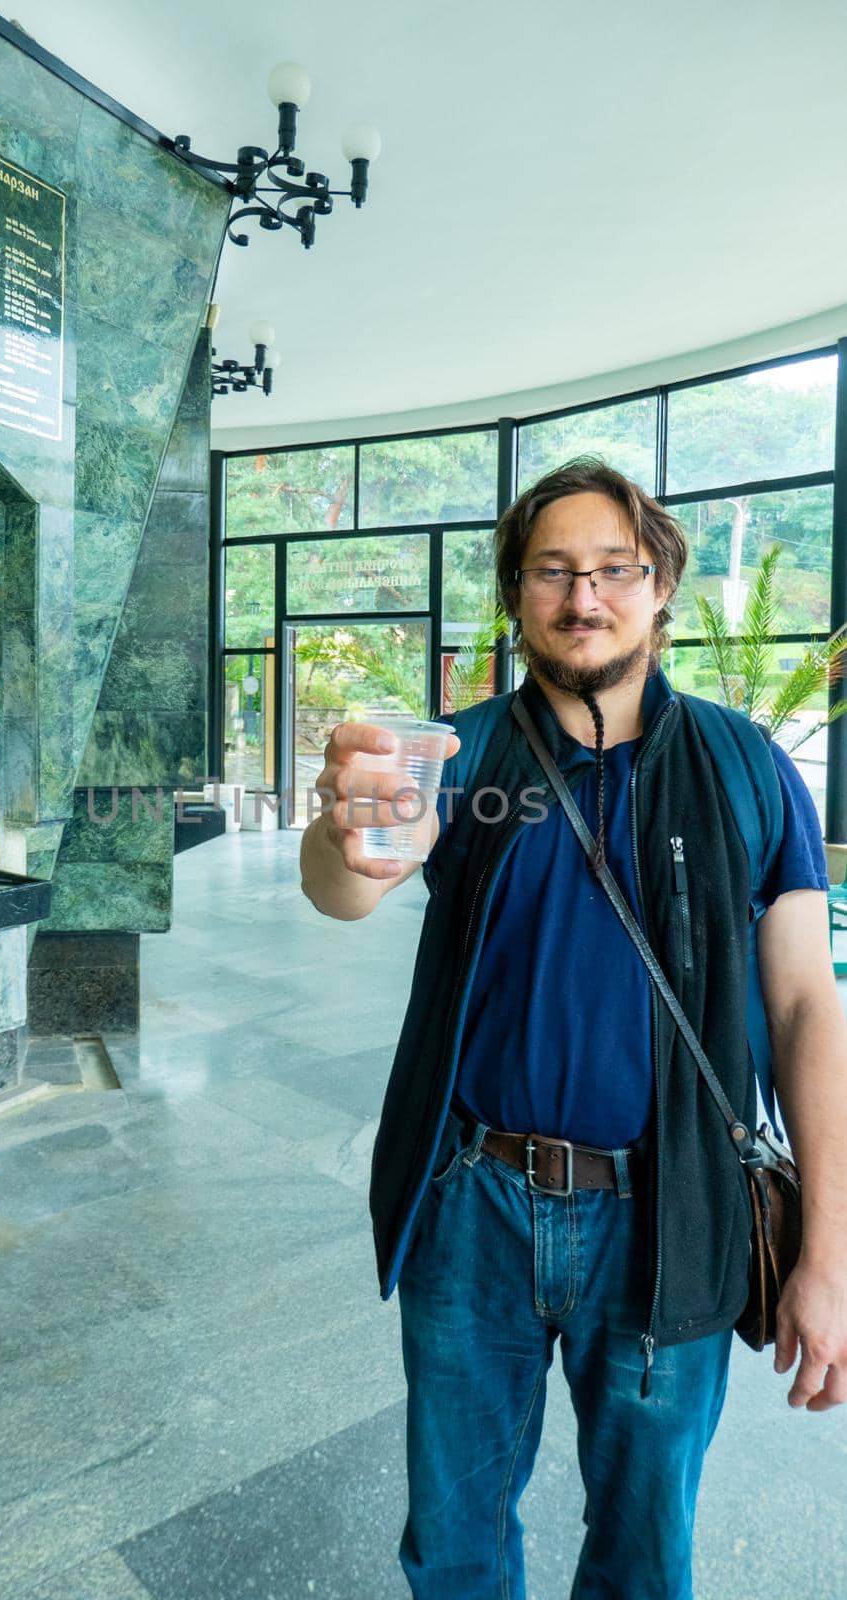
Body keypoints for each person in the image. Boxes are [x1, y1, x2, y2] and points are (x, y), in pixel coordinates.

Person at [299, 457, 847, 1599]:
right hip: (471, 1209)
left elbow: (804, 1006)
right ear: (516, 595)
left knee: (644, 1557)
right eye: (551, 571)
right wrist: (337, 831)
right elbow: (345, 886)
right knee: (450, 1540)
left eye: (612, 570)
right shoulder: (459, 759)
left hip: (671, 1217)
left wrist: (828, 1258)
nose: (581, 596)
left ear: (658, 589)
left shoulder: (744, 767)